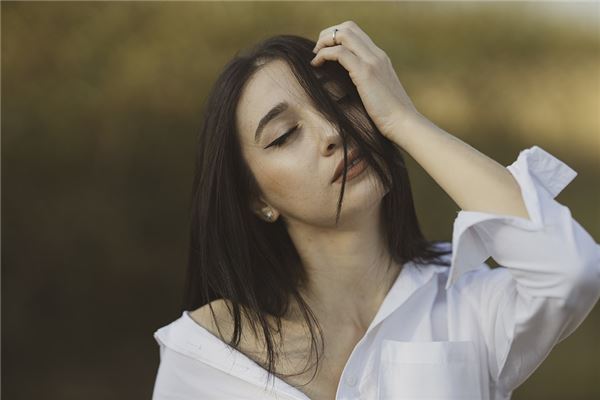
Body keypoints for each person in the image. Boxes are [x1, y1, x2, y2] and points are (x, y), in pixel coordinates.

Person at [151, 21, 600, 400]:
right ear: (257, 199)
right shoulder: (206, 353)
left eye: (341, 101)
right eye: (285, 135)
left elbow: (570, 272)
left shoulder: (461, 302)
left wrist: (405, 119)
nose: (332, 131)